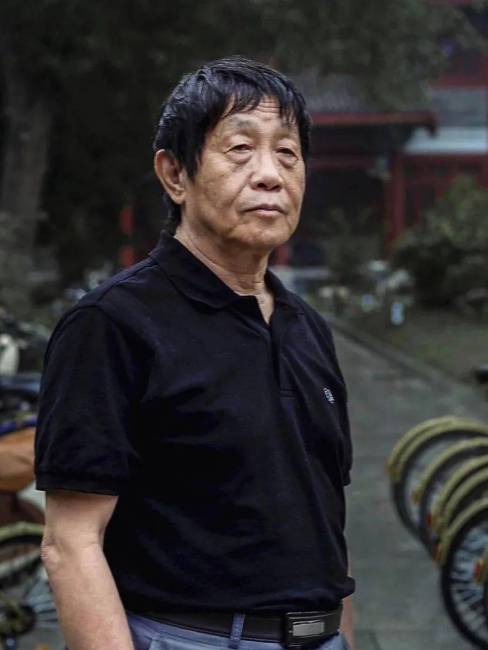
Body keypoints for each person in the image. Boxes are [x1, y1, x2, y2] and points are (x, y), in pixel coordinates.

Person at [35, 56, 355, 650]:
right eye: (241, 149)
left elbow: (327, 522)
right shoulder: (113, 325)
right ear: (175, 174)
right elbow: (70, 543)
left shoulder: (308, 329)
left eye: (288, 153)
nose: (270, 174)